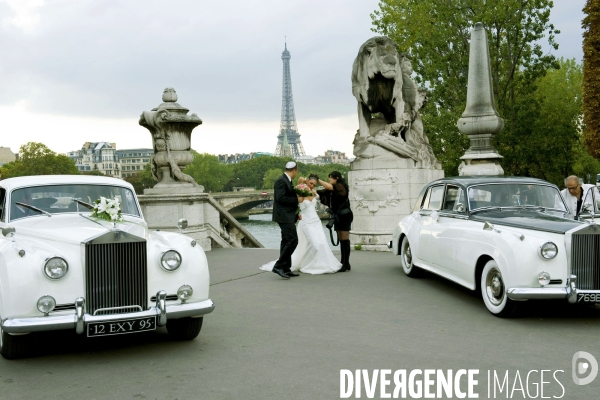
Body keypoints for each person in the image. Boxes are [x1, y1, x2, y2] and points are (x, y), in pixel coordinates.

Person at [261, 174, 342, 275]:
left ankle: (319, 263)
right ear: (307, 181)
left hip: (316, 221)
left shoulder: (314, 192)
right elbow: (294, 202)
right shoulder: (300, 191)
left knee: (321, 243)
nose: (312, 186)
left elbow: (329, 189)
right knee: (315, 244)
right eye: (311, 183)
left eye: (314, 184)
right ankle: (307, 264)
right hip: (306, 221)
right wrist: (297, 213)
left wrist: (319, 179)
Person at [269, 161, 301, 279]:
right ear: (294, 170)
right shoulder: (281, 181)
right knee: (293, 240)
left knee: (286, 241)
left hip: (287, 215)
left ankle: (286, 268)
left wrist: (296, 212)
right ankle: (279, 265)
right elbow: (280, 198)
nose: (296, 174)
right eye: (296, 172)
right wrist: (297, 199)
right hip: (284, 216)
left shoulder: (287, 180)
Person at [318, 171, 353, 272]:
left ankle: (345, 262)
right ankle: (344, 262)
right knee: (342, 240)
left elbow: (329, 187)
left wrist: (318, 180)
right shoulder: (333, 189)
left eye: (331, 178)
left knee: (345, 239)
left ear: (336, 178)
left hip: (345, 215)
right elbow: (322, 192)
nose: (330, 180)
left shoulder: (340, 186)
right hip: (338, 216)